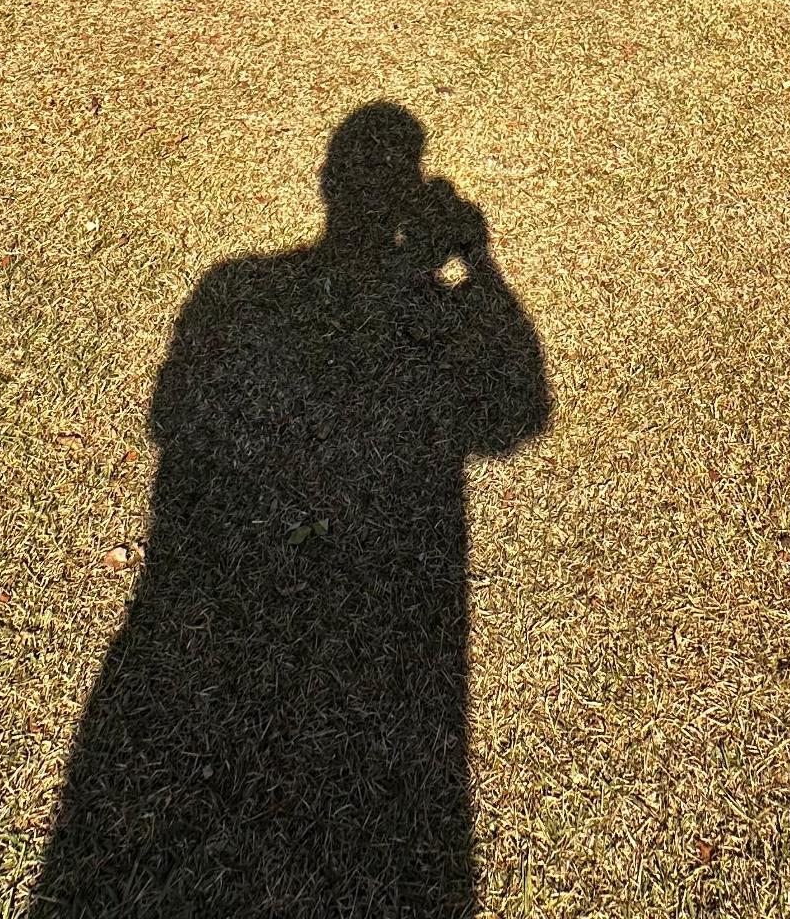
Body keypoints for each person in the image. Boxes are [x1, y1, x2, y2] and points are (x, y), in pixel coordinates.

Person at [31, 101, 549, 916]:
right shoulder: (239, 290)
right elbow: (513, 415)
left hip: (193, 616)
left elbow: (168, 417)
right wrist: (478, 268)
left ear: (324, 181)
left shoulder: (233, 289)